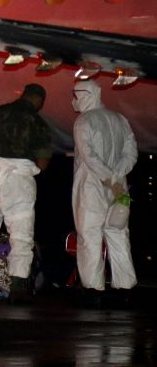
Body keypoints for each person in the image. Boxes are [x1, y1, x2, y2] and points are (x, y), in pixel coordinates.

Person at [0, 84, 52, 303]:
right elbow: (42, 164)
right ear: (40, 102)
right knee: (21, 234)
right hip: (19, 179)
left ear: (22, 95)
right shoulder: (39, 123)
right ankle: (17, 289)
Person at [71, 80, 138, 303]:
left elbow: (88, 156)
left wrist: (108, 177)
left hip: (92, 184)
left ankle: (93, 289)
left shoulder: (84, 121)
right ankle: (125, 288)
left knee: (89, 235)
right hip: (119, 187)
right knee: (118, 234)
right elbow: (131, 153)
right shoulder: (120, 119)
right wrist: (117, 175)